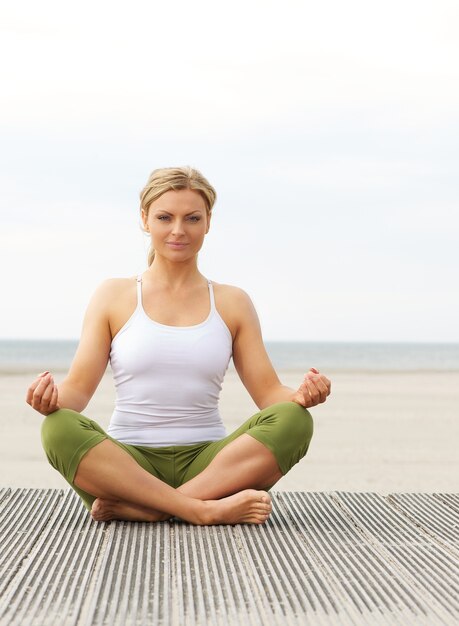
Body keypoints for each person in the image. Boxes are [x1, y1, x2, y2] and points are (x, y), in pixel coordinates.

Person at [26, 166, 331, 526]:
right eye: (164, 217)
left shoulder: (232, 302)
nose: (178, 230)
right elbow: (76, 391)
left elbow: (268, 394)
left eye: (192, 218)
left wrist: (303, 396)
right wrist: (48, 402)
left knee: (295, 421)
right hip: (129, 464)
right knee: (57, 428)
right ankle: (200, 509)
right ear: (144, 219)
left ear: (208, 222)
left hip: (212, 465)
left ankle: (151, 509)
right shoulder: (113, 295)